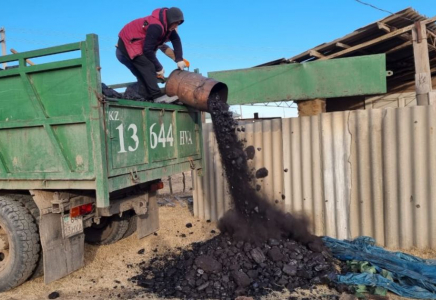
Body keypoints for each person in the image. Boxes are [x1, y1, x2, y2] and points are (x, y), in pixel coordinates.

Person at [116, 7, 187, 101]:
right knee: (149, 67)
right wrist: (159, 67)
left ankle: (147, 96)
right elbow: (147, 50)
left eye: (178, 24)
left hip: (134, 46)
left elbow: (176, 40)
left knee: (144, 74)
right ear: (170, 20)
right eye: (175, 23)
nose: (176, 26)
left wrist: (179, 59)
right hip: (127, 45)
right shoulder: (156, 26)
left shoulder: (167, 27)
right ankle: (157, 96)